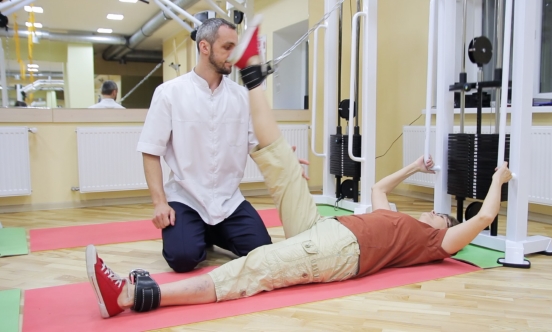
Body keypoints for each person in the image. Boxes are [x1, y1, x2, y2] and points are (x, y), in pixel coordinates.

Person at [86, 15, 513, 318]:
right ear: (205, 46)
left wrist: (497, 179)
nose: (435, 213)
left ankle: (134, 295)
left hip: (339, 252)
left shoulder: (435, 244)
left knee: (256, 268)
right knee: (282, 166)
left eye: (441, 216)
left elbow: (487, 215)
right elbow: (381, 187)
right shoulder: (395, 216)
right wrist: (414, 167)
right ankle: (257, 78)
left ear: (444, 233)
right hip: (323, 226)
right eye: (436, 211)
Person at [137, 17, 294, 274]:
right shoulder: (169, 93)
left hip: (228, 199)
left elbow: (257, 146)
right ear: (204, 47)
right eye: (227, 47)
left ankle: (211, 230)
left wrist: (285, 161)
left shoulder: (242, 97)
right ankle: (199, 231)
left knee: (263, 251)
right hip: (186, 198)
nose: (234, 54)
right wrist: (159, 203)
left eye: (236, 47)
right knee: (183, 259)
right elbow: (150, 151)